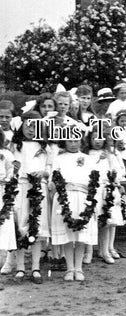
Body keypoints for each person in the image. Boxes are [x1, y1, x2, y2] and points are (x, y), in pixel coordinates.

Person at [3, 111, 51, 284]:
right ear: (21, 125)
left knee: (36, 226)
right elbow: (8, 167)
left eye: (35, 127)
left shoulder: (44, 147)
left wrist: (44, 173)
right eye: (28, 125)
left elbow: (50, 169)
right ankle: (21, 267)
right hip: (20, 188)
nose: (31, 130)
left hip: (39, 188)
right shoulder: (14, 146)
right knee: (21, 225)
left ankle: (36, 268)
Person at [50, 133, 98, 282]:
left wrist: (92, 200)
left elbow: (95, 180)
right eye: (70, 140)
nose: (72, 143)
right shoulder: (59, 159)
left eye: (76, 140)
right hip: (66, 198)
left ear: (80, 141)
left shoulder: (88, 159)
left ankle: (79, 268)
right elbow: (54, 179)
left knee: (81, 234)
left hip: (83, 198)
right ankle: (70, 268)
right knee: (68, 235)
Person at [86, 125, 126, 265]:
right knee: (90, 221)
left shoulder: (109, 155)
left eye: (100, 138)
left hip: (105, 190)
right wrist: (97, 160)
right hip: (91, 190)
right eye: (93, 138)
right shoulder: (86, 155)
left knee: (106, 222)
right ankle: (88, 252)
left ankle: (105, 250)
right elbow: (86, 171)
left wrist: (113, 179)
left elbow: (118, 172)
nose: (97, 141)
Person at [0, 130, 16, 269]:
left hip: (2, 196)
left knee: (2, 233)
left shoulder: (6, 154)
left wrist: (8, 178)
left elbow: (13, 172)